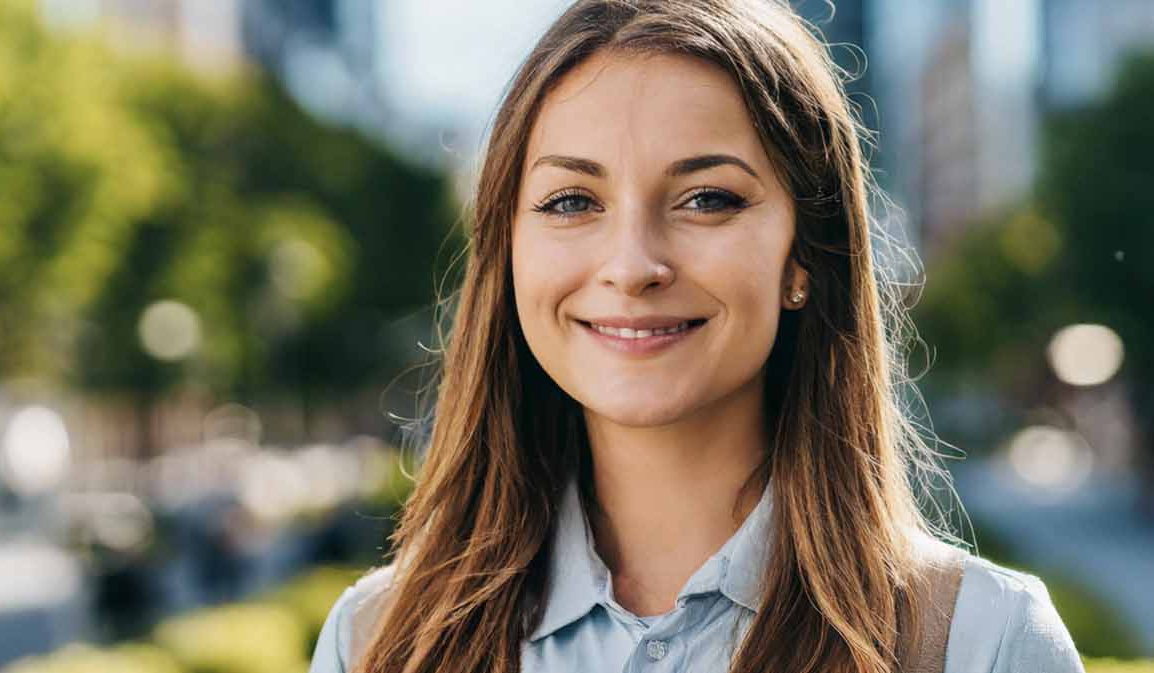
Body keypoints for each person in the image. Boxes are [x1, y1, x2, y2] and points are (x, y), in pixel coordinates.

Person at [309, 0, 1086, 671]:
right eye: (572, 201)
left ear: (805, 256)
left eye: (708, 198)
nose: (633, 264)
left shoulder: (979, 642)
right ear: (508, 250)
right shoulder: (376, 640)